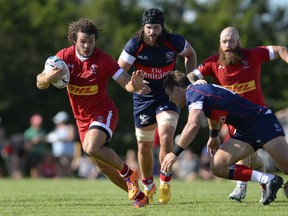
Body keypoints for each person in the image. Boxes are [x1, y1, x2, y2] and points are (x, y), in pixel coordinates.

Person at [36, 18, 148, 208]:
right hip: (82, 120)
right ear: (74, 40)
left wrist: (134, 85)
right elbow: (39, 82)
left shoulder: (103, 60)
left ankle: (129, 173)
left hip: (104, 113)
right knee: (103, 167)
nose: (87, 46)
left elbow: (125, 82)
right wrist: (47, 77)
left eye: (91, 41)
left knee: (90, 147)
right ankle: (139, 196)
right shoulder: (64, 57)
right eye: (83, 41)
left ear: (95, 40)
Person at [187, 26, 288, 201]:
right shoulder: (212, 63)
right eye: (224, 41)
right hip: (237, 122)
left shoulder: (253, 55)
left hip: (260, 119)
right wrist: (198, 81)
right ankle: (248, 185)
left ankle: (256, 183)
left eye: (232, 41)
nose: (228, 45)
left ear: (239, 42)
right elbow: (190, 75)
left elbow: (280, 50)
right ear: (220, 43)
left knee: (284, 165)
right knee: (240, 161)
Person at [161, 70, 288, 205]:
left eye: (169, 95)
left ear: (176, 89)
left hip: (261, 121)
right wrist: (214, 135)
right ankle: (269, 179)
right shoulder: (198, 92)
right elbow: (212, 112)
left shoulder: (193, 93)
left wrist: (174, 154)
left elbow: (193, 124)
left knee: (285, 167)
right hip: (245, 131)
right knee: (218, 166)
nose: (170, 99)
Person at [118, 8, 197, 204]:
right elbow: (118, 71)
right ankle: (148, 186)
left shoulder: (174, 41)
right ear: (143, 27)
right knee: (144, 147)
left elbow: (190, 54)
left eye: (156, 27)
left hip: (167, 95)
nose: (152, 32)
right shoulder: (135, 44)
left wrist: (190, 79)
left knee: (165, 135)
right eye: (149, 27)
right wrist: (132, 85)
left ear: (162, 28)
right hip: (143, 99)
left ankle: (164, 182)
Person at [46, 111, 76, 177]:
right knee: (58, 167)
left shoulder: (69, 127)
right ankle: (61, 179)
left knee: (66, 166)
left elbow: (71, 137)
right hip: (57, 152)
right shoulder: (56, 128)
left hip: (67, 152)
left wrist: (61, 138)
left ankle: (69, 179)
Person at [23, 114, 48, 178]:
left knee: (41, 167)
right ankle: (34, 179)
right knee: (34, 167)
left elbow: (46, 142)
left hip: (42, 152)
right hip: (32, 152)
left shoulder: (43, 131)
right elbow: (26, 145)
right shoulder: (28, 132)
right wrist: (33, 141)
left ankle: (41, 179)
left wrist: (42, 140)